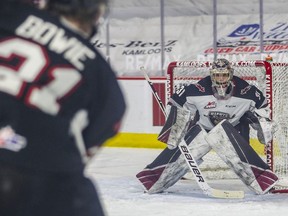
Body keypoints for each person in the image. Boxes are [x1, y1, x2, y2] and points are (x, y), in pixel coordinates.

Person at [0, 0, 125, 216]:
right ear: (98, 15)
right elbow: (83, 151)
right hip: (35, 179)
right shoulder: (104, 81)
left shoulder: (10, 13)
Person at [136, 58, 278, 195]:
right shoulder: (198, 89)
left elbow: (263, 111)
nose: (220, 79)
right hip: (202, 130)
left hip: (233, 132)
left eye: (224, 75)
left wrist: (263, 127)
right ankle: (153, 180)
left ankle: (261, 181)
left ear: (231, 74)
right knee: (180, 158)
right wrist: (175, 121)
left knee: (238, 158)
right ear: (211, 75)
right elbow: (176, 102)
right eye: (217, 75)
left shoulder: (247, 91)